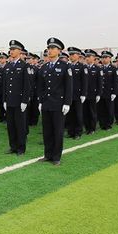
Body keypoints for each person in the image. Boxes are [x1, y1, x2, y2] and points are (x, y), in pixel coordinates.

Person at [37, 37, 72, 166]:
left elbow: (69, 87)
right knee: (47, 131)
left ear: (59, 51)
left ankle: (56, 156)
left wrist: (67, 103)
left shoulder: (65, 66)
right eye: (49, 48)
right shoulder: (44, 67)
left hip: (58, 104)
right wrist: (40, 101)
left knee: (57, 131)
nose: (50, 50)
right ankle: (47, 154)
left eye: (53, 48)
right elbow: (41, 87)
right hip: (46, 104)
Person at [2, 40, 30, 155]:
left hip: (19, 101)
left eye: (14, 49)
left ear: (19, 51)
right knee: (11, 125)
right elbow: (4, 84)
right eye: (11, 49)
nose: (11, 51)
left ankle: (21, 148)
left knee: (20, 126)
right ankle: (13, 146)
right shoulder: (8, 66)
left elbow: (27, 85)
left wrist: (24, 101)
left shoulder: (24, 66)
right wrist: (4, 99)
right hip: (9, 101)